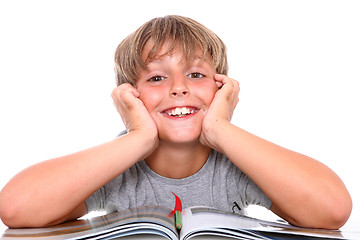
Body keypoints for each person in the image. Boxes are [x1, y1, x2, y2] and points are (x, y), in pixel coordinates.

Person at [0, 15, 352, 230]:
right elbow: (15, 208)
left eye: (196, 74)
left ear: (221, 88)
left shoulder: (236, 164)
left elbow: (333, 210)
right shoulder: (117, 168)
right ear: (130, 96)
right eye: (156, 79)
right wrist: (138, 138)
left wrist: (220, 130)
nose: (179, 88)